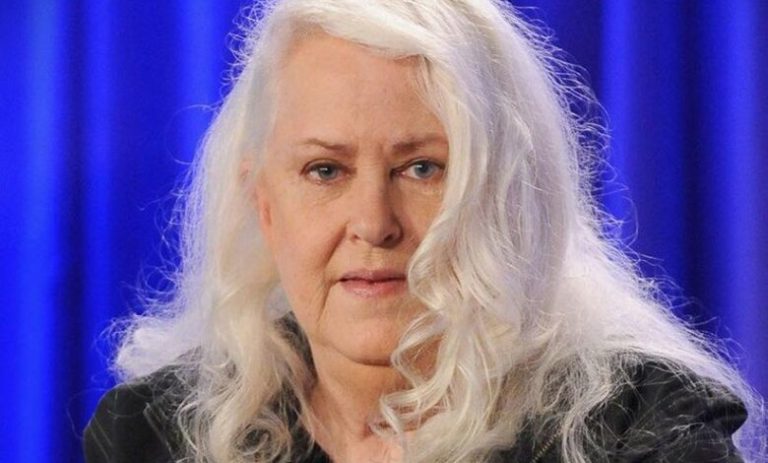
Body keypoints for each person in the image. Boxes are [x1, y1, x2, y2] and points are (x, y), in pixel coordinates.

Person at [83, 1, 763, 462]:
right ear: (262, 202)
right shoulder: (152, 435)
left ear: (506, 193)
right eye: (325, 170)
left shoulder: (642, 433)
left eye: (422, 168)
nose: (374, 223)